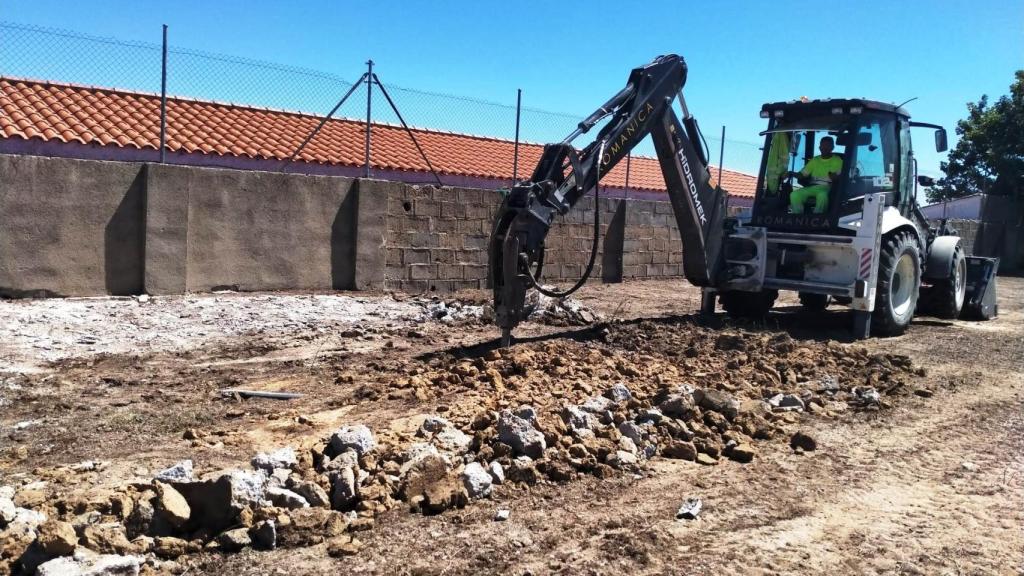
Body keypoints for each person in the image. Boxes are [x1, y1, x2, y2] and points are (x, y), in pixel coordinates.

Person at [788, 136, 842, 214]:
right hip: (812, 186)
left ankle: (818, 217)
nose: (825, 148)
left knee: (822, 195)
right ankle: (797, 216)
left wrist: (834, 177)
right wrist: (790, 173)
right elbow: (802, 174)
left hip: (827, 187)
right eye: (823, 145)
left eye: (827, 146)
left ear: (832, 147)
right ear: (819, 147)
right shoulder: (815, 160)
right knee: (794, 194)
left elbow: (837, 177)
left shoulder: (837, 160)